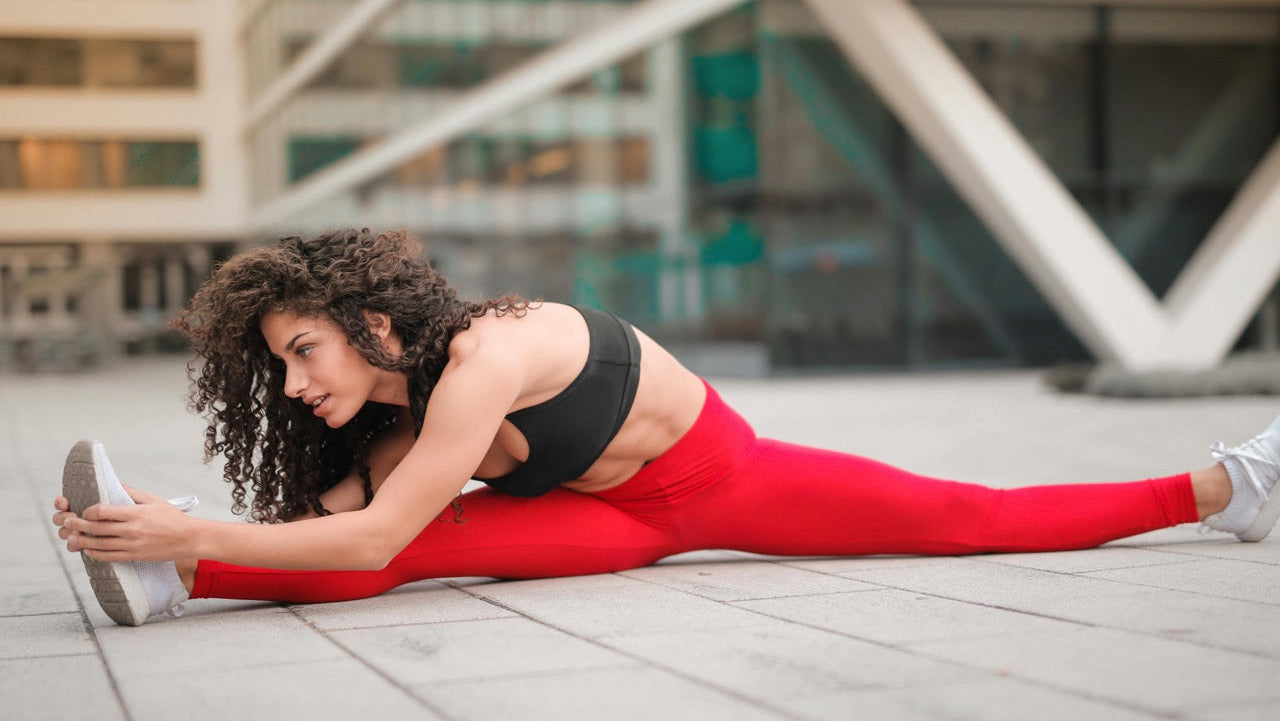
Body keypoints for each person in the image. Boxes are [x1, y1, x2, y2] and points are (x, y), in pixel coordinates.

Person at [52, 228, 1280, 627]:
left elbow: (365, 535)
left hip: (719, 484)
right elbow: (361, 526)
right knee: (407, 541)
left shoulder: (482, 360)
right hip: (602, 520)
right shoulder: (406, 407)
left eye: (300, 353)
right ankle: (164, 570)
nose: (291, 385)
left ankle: (1226, 484)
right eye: (276, 370)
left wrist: (193, 514)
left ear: (371, 321)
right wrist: (164, 531)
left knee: (968, 518)